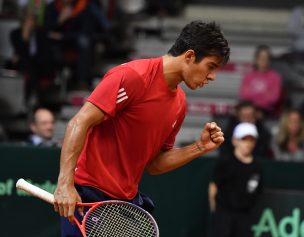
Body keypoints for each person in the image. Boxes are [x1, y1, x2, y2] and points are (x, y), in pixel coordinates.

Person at [53, 21, 230, 236]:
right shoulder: (132, 76)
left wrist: (199, 147)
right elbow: (78, 122)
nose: (212, 77)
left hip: (122, 204)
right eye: (211, 67)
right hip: (87, 196)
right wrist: (65, 185)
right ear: (190, 56)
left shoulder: (179, 105)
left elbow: (155, 164)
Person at [209, 122, 263, 237]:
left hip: (244, 217)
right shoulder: (225, 162)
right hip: (223, 216)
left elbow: (256, 192)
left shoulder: (256, 168)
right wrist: (216, 213)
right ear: (235, 141)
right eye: (244, 139)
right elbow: (214, 186)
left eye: (251, 140)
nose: (248, 143)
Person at [239, 45, 283, 117]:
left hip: (266, 110)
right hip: (249, 109)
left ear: (270, 60)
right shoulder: (248, 76)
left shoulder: (275, 77)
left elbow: (274, 98)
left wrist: (253, 92)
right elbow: (243, 95)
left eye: (266, 58)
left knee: (255, 115)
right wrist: (265, 93)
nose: (263, 61)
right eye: (261, 58)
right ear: (256, 59)